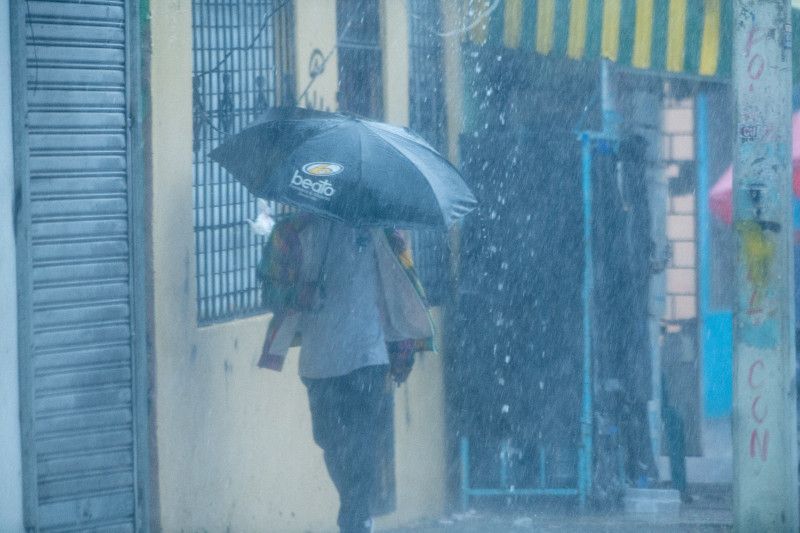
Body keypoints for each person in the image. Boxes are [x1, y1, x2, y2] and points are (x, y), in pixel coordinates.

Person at [256, 213, 434, 533]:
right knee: (330, 441)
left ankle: (354, 519)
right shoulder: (293, 232)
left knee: (362, 442)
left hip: (368, 356)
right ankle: (356, 509)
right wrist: (298, 295)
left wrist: (403, 348)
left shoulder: (382, 229)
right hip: (319, 361)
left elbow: (404, 286)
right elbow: (270, 289)